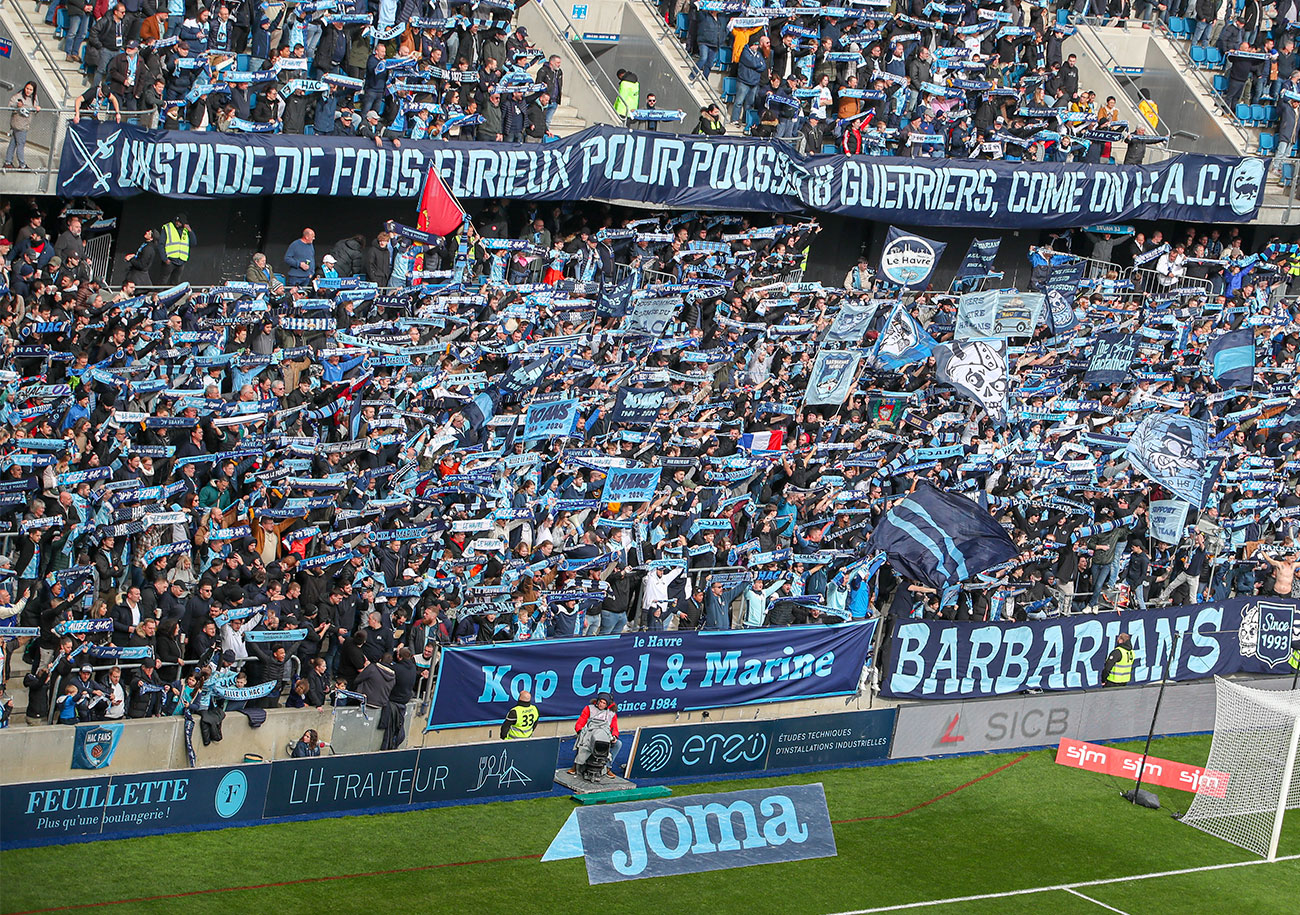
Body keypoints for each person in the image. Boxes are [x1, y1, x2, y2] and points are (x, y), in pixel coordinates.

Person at [567, 692, 620, 777]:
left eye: (604, 703)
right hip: (590, 732)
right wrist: (580, 730)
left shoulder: (611, 713)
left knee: (618, 744)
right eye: (600, 702)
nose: (601, 704)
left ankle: (608, 767)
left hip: (605, 733)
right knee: (582, 739)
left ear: (608, 704)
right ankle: (576, 766)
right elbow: (581, 721)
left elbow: (614, 727)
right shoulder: (589, 708)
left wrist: (614, 736)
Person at [5, 83, 40, 171]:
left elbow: (34, 109)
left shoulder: (34, 98)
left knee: (13, 143)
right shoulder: (18, 96)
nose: (28, 91)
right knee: (21, 144)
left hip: (25, 124)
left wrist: (37, 109)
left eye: (30, 89)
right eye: (27, 88)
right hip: (19, 125)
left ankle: (8, 162)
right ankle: (22, 164)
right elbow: (10, 106)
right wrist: (17, 106)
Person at [159, 213, 194, 285]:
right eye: (177, 221)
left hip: (181, 261)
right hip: (170, 260)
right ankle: (159, 295)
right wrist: (165, 259)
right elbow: (161, 244)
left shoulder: (186, 230)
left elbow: (193, 242)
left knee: (175, 283)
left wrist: (190, 231)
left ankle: (173, 296)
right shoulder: (167, 227)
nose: (178, 223)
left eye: (180, 222)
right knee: (163, 282)